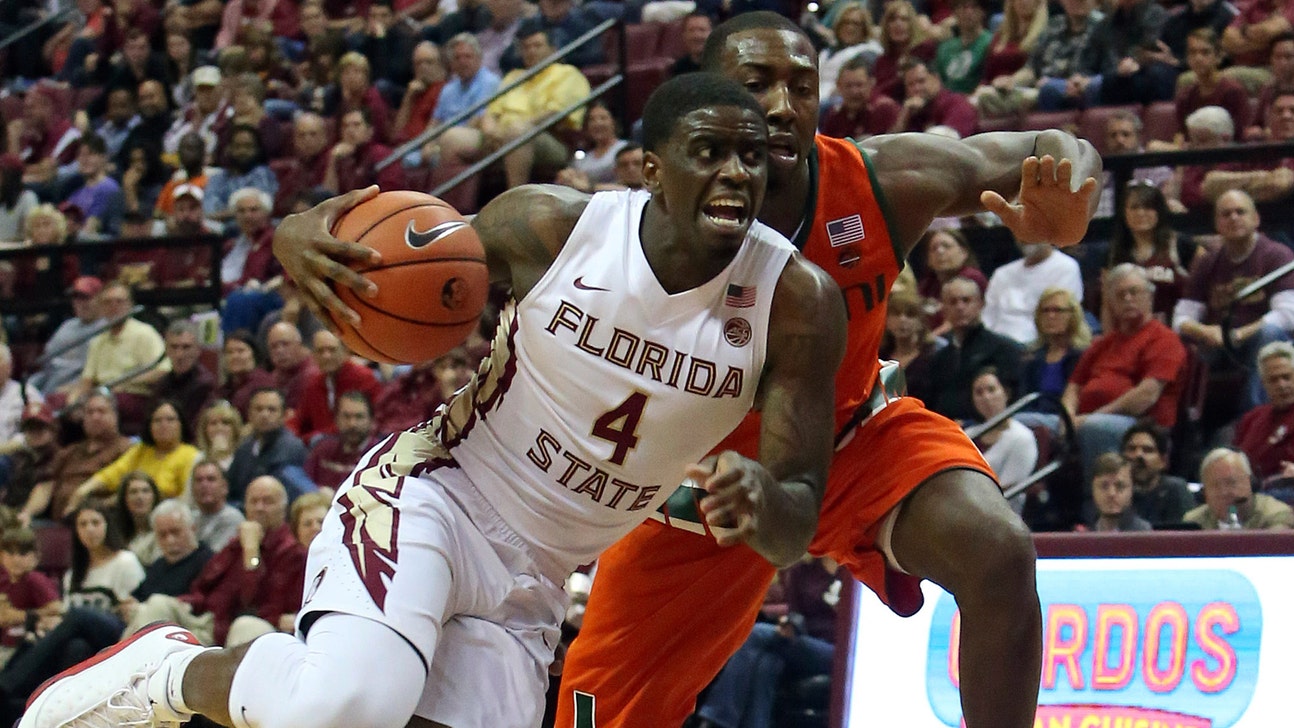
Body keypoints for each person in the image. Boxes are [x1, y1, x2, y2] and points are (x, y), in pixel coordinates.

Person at [22, 73, 849, 728]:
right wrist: (297, 228)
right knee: (342, 708)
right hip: (439, 495)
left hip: (540, 576)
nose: (738, 172)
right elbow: (394, 257)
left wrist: (766, 499)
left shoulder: (797, 302)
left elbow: (794, 525)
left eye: (752, 156)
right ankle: (166, 670)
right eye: (711, 152)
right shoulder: (554, 228)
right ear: (653, 170)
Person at [546, 13, 1099, 728]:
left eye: (801, 86)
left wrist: (1068, 192)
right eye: (757, 85)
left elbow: (1055, 145)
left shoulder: (880, 180)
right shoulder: (643, 223)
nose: (782, 105)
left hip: (854, 443)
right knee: (594, 712)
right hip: (709, 489)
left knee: (997, 551)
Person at [118, 475, 307, 647]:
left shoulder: (292, 553)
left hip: (247, 629)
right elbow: (204, 589)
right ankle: (124, 677)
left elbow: (254, 606)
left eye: (268, 502)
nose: (259, 508)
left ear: (284, 508)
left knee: (245, 625)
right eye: (254, 501)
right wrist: (187, 603)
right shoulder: (235, 545)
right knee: (158, 604)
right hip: (210, 623)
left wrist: (251, 553)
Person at [1173, 189, 1294, 413]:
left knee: (1270, 335)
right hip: (1219, 342)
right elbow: (1182, 317)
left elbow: (1287, 316)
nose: (1234, 218)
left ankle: (1254, 417)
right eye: (1226, 214)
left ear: (1256, 218)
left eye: (1240, 212)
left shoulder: (1277, 254)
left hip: (1259, 339)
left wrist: (1238, 334)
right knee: (1177, 344)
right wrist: (1204, 331)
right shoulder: (1207, 262)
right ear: (1217, 224)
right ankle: (1185, 425)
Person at [1064, 264, 1186, 480]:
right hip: (1086, 419)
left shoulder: (1164, 339)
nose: (1128, 298)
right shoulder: (1103, 343)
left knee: (1094, 427)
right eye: (1121, 295)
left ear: (1149, 296)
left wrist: (1090, 417)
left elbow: (1146, 395)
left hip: (1142, 425)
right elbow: (1074, 387)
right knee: (1028, 425)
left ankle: (1095, 505)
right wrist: (1067, 418)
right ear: (1111, 303)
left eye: (1134, 292)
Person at [691, 556, 844, 728]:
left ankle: (715, 720)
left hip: (840, 652)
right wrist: (790, 625)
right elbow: (796, 613)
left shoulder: (851, 572)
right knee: (767, 663)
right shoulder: (801, 570)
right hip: (805, 643)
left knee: (755, 633)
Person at [18, 393, 131, 525]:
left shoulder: (126, 449)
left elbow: (127, 494)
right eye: (89, 412)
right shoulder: (70, 452)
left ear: (115, 416)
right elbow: (46, 487)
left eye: (102, 411)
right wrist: (27, 513)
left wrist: (94, 508)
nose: (95, 417)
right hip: (58, 523)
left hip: (99, 523)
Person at [65, 400, 201, 510]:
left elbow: (186, 501)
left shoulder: (191, 456)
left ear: (181, 424)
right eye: (157, 421)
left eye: (170, 420)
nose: (163, 425)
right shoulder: (141, 450)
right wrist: (82, 491)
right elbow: (113, 474)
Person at [928, 276, 1025, 421]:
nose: (960, 307)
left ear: (980, 304)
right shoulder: (939, 359)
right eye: (953, 302)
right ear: (944, 309)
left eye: (966, 300)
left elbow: (1013, 402)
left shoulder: (1004, 349)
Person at [1107, 182, 1188, 324]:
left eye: (1148, 207)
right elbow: (1107, 306)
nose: (1141, 213)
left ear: (1159, 211)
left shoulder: (1179, 244)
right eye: (1134, 207)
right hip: (1129, 336)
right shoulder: (1114, 253)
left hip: (1173, 334)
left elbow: (1201, 285)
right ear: (1124, 212)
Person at [982, 240, 1083, 345]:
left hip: (1037, 345)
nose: (1027, 236)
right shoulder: (1002, 274)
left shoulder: (1066, 268)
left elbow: (1062, 318)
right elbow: (988, 317)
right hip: (996, 345)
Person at [967, 366, 1038, 514]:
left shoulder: (1022, 438)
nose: (986, 397)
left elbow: (1007, 490)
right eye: (979, 393)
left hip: (1000, 517)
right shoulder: (966, 435)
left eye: (991, 390)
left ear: (1006, 393)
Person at [291, 330, 381, 444]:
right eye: (320, 351)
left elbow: (377, 418)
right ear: (313, 355)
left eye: (332, 350)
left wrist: (314, 436)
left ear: (345, 351)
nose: (326, 356)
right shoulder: (313, 384)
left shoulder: (364, 378)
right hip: (320, 447)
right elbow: (299, 421)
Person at [225, 388, 309, 506]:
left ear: (284, 415)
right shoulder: (244, 448)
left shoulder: (292, 448)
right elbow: (231, 489)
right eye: (258, 409)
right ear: (249, 414)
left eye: (272, 410)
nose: (264, 415)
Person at [1017, 287, 1089, 419]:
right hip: (1030, 417)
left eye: (1058, 310)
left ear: (1073, 315)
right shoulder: (1030, 356)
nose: (1051, 316)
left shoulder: (1084, 355)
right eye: (1045, 311)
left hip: (1063, 420)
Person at [27, 276, 104, 396]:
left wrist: (75, 387)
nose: (80, 303)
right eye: (76, 298)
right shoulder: (67, 326)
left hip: (77, 390)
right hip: (51, 382)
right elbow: (48, 359)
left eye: (86, 298)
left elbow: (97, 374)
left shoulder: (106, 328)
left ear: (100, 299)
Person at [1184, 448, 1294, 529]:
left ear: (1250, 482)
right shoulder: (1194, 522)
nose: (1224, 492)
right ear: (1205, 493)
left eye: (1231, 483)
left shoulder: (1276, 515)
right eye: (1215, 485)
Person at [1234, 340, 1294, 479]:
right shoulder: (1251, 419)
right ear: (1264, 384)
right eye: (1273, 380)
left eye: (1286, 377)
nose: (1281, 385)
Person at [1120, 421, 1196, 527]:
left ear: (1163, 461)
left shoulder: (1175, 490)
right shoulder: (1114, 491)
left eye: (1147, 450)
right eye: (1132, 449)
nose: (1138, 455)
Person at [916, 228, 987, 334]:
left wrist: (931, 340)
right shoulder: (927, 284)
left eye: (946, 246)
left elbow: (958, 321)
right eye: (934, 248)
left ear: (964, 252)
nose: (940, 251)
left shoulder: (972, 280)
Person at [303, 391, 380, 489]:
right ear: (336, 419)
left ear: (371, 421)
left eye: (359, 417)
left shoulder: (379, 455)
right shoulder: (323, 449)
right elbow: (304, 481)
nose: (352, 424)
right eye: (346, 416)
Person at [150, 321, 216, 432]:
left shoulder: (205, 384)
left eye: (186, 347)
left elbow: (195, 429)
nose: (179, 354)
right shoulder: (162, 384)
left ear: (197, 350)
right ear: (166, 350)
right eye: (174, 347)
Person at [818, 57, 901, 141]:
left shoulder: (884, 109)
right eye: (848, 86)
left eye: (859, 85)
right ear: (838, 87)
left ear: (871, 83)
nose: (854, 91)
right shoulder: (835, 115)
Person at [891, 57, 978, 138]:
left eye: (921, 81)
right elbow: (891, 146)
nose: (916, 88)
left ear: (936, 79)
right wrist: (904, 115)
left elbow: (950, 142)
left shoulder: (956, 104)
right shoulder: (913, 111)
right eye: (911, 85)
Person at [213, 331, 276, 420]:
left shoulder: (264, 384)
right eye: (229, 352)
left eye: (240, 351)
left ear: (253, 354)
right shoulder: (226, 388)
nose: (235, 356)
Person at [1084, 453, 1151, 532]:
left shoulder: (1143, 532)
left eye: (1120, 486)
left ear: (1132, 490)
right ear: (1092, 489)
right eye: (1104, 486)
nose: (1111, 493)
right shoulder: (1082, 532)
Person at [188, 461, 245, 553]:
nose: (204, 485)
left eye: (211, 479)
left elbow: (215, 559)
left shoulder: (232, 519)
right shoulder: (189, 519)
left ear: (224, 487)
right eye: (199, 480)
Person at [113, 472, 162, 565]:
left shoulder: (163, 530)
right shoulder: (116, 533)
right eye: (133, 492)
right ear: (124, 499)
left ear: (154, 496)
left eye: (145, 491)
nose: (140, 497)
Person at [194, 401, 244, 474]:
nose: (219, 428)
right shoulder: (197, 459)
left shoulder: (245, 458)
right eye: (213, 423)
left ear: (235, 429)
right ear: (205, 430)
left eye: (225, 423)